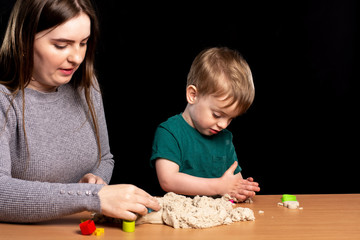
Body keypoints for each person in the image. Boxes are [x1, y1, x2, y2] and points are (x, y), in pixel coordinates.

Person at [0, 0, 159, 223]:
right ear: (24, 40)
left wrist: (96, 180)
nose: (76, 58)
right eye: (61, 45)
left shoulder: (86, 84)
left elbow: (105, 158)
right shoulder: (3, 98)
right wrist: (91, 196)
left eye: (83, 43)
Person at [150, 47, 260, 202]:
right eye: (217, 115)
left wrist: (242, 190)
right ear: (193, 95)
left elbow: (233, 181)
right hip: (179, 216)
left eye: (230, 119)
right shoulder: (169, 132)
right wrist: (219, 187)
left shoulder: (225, 138)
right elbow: (168, 180)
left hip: (218, 217)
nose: (223, 124)